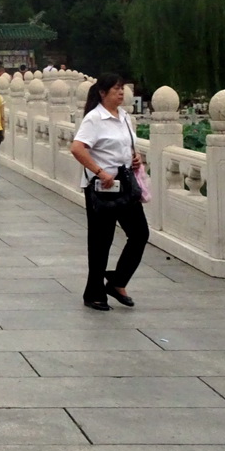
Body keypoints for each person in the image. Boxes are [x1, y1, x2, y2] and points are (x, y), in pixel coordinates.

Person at [70, 73, 149, 311]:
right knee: (100, 241)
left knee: (140, 233)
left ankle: (117, 281)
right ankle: (94, 293)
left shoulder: (124, 116)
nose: (121, 93)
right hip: (102, 188)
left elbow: (127, 145)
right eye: (116, 89)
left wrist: (135, 158)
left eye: (122, 89)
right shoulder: (95, 118)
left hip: (125, 184)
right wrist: (99, 171)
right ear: (102, 93)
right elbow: (77, 148)